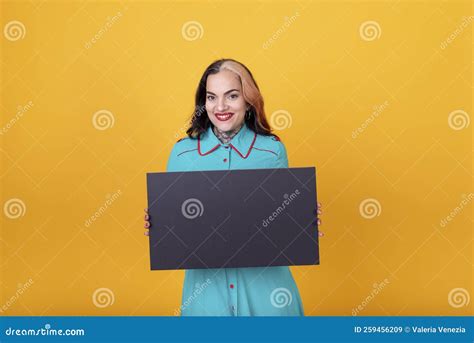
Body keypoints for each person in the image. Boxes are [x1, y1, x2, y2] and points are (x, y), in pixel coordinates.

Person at [143, 58, 324, 316]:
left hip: (269, 300)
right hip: (206, 303)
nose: (221, 107)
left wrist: (301, 220)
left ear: (248, 99)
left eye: (232, 96)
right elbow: (177, 227)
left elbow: (281, 221)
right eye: (211, 97)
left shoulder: (271, 150)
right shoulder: (182, 154)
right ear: (202, 103)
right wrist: (159, 226)